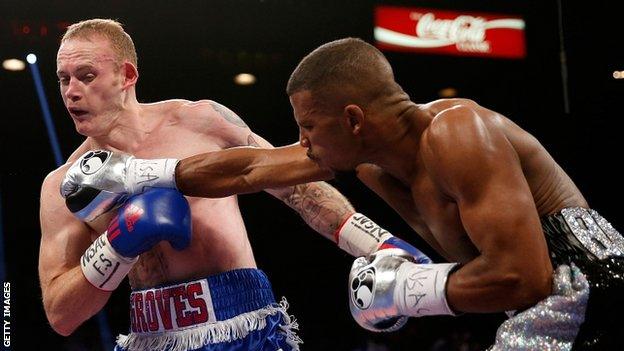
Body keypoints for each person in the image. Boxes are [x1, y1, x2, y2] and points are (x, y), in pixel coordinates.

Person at [63, 37, 624, 350]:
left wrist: (411, 289)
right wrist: (145, 176)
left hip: (587, 285)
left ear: (353, 119)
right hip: (534, 304)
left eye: (308, 127)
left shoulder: (457, 134)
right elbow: (249, 170)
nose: (302, 143)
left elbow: (528, 278)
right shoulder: (372, 166)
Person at [40, 21, 427, 351]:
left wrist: (376, 243)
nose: (71, 91)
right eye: (63, 79)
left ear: (127, 75)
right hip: (151, 335)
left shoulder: (200, 122)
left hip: (243, 323)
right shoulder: (62, 185)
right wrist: (117, 243)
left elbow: (295, 187)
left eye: (86, 76)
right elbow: (60, 314)